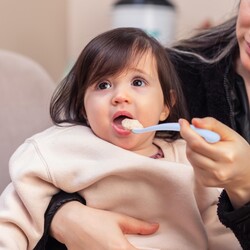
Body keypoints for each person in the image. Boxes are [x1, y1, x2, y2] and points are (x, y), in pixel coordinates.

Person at [0, 27, 241, 249]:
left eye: (138, 82)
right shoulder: (60, 149)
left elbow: (222, 233)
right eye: (103, 85)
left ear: (166, 106)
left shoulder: (190, 161)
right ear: (83, 107)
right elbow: (14, 218)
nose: (120, 96)